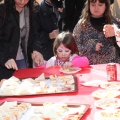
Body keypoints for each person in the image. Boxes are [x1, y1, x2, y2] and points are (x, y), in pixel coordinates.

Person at [0, 0, 44, 80]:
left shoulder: (30, 10)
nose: (22, 1)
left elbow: (34, 35)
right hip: (4, 62)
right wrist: (5, 59)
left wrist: (37, 49)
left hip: (23, 59)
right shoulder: (3, 9)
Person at [73, 0, 120, 65]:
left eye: (100, 5)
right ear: (88, 5)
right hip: (89, 68)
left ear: (106, 6)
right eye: (93, 5)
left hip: (111, 67)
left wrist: (116, 33)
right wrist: (91, 47)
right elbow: (74, 46)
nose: (96, 8)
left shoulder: (113, 24)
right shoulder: (82, 25)